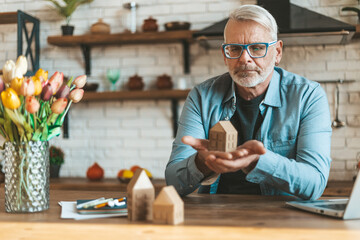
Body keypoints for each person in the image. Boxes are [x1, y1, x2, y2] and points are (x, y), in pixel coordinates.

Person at [165, 4, 332, 200]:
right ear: (224, 55)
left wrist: (257, 161)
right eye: (234, 49)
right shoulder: (202, 96)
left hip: (283, 217)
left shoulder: (308, 96)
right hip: (215, 215)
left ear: (277, 52)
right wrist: (201, 162)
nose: (245, 59)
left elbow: (314, 183)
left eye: (257, 48)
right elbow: (172, 182)